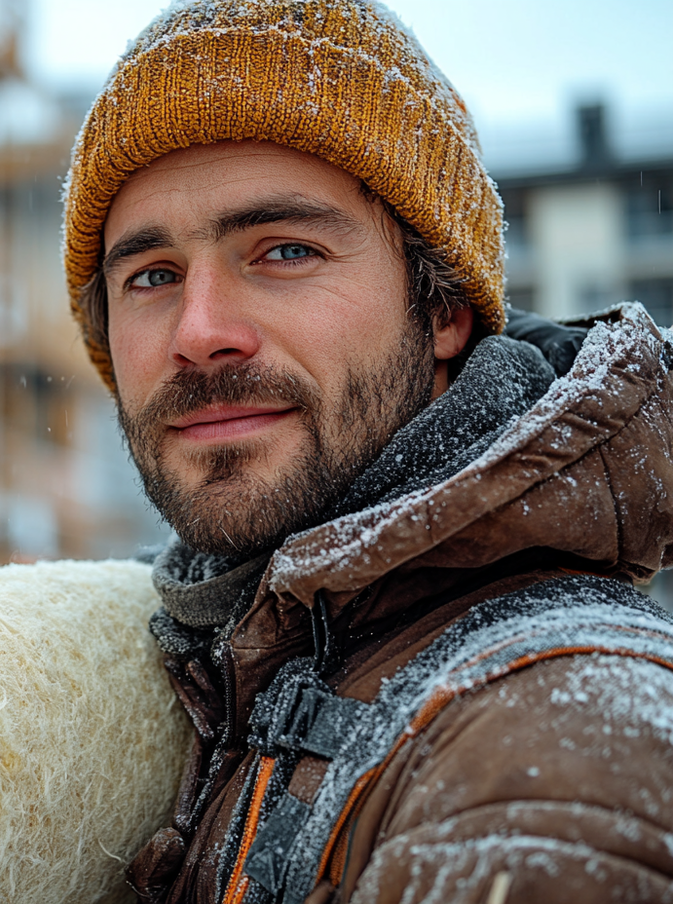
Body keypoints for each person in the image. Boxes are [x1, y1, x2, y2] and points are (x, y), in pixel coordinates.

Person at [60, 2, 673, 902]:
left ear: (443, 311)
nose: (197, 333)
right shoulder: (235, 654)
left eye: (284, 250)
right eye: (151, 276)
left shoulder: (550, 761)